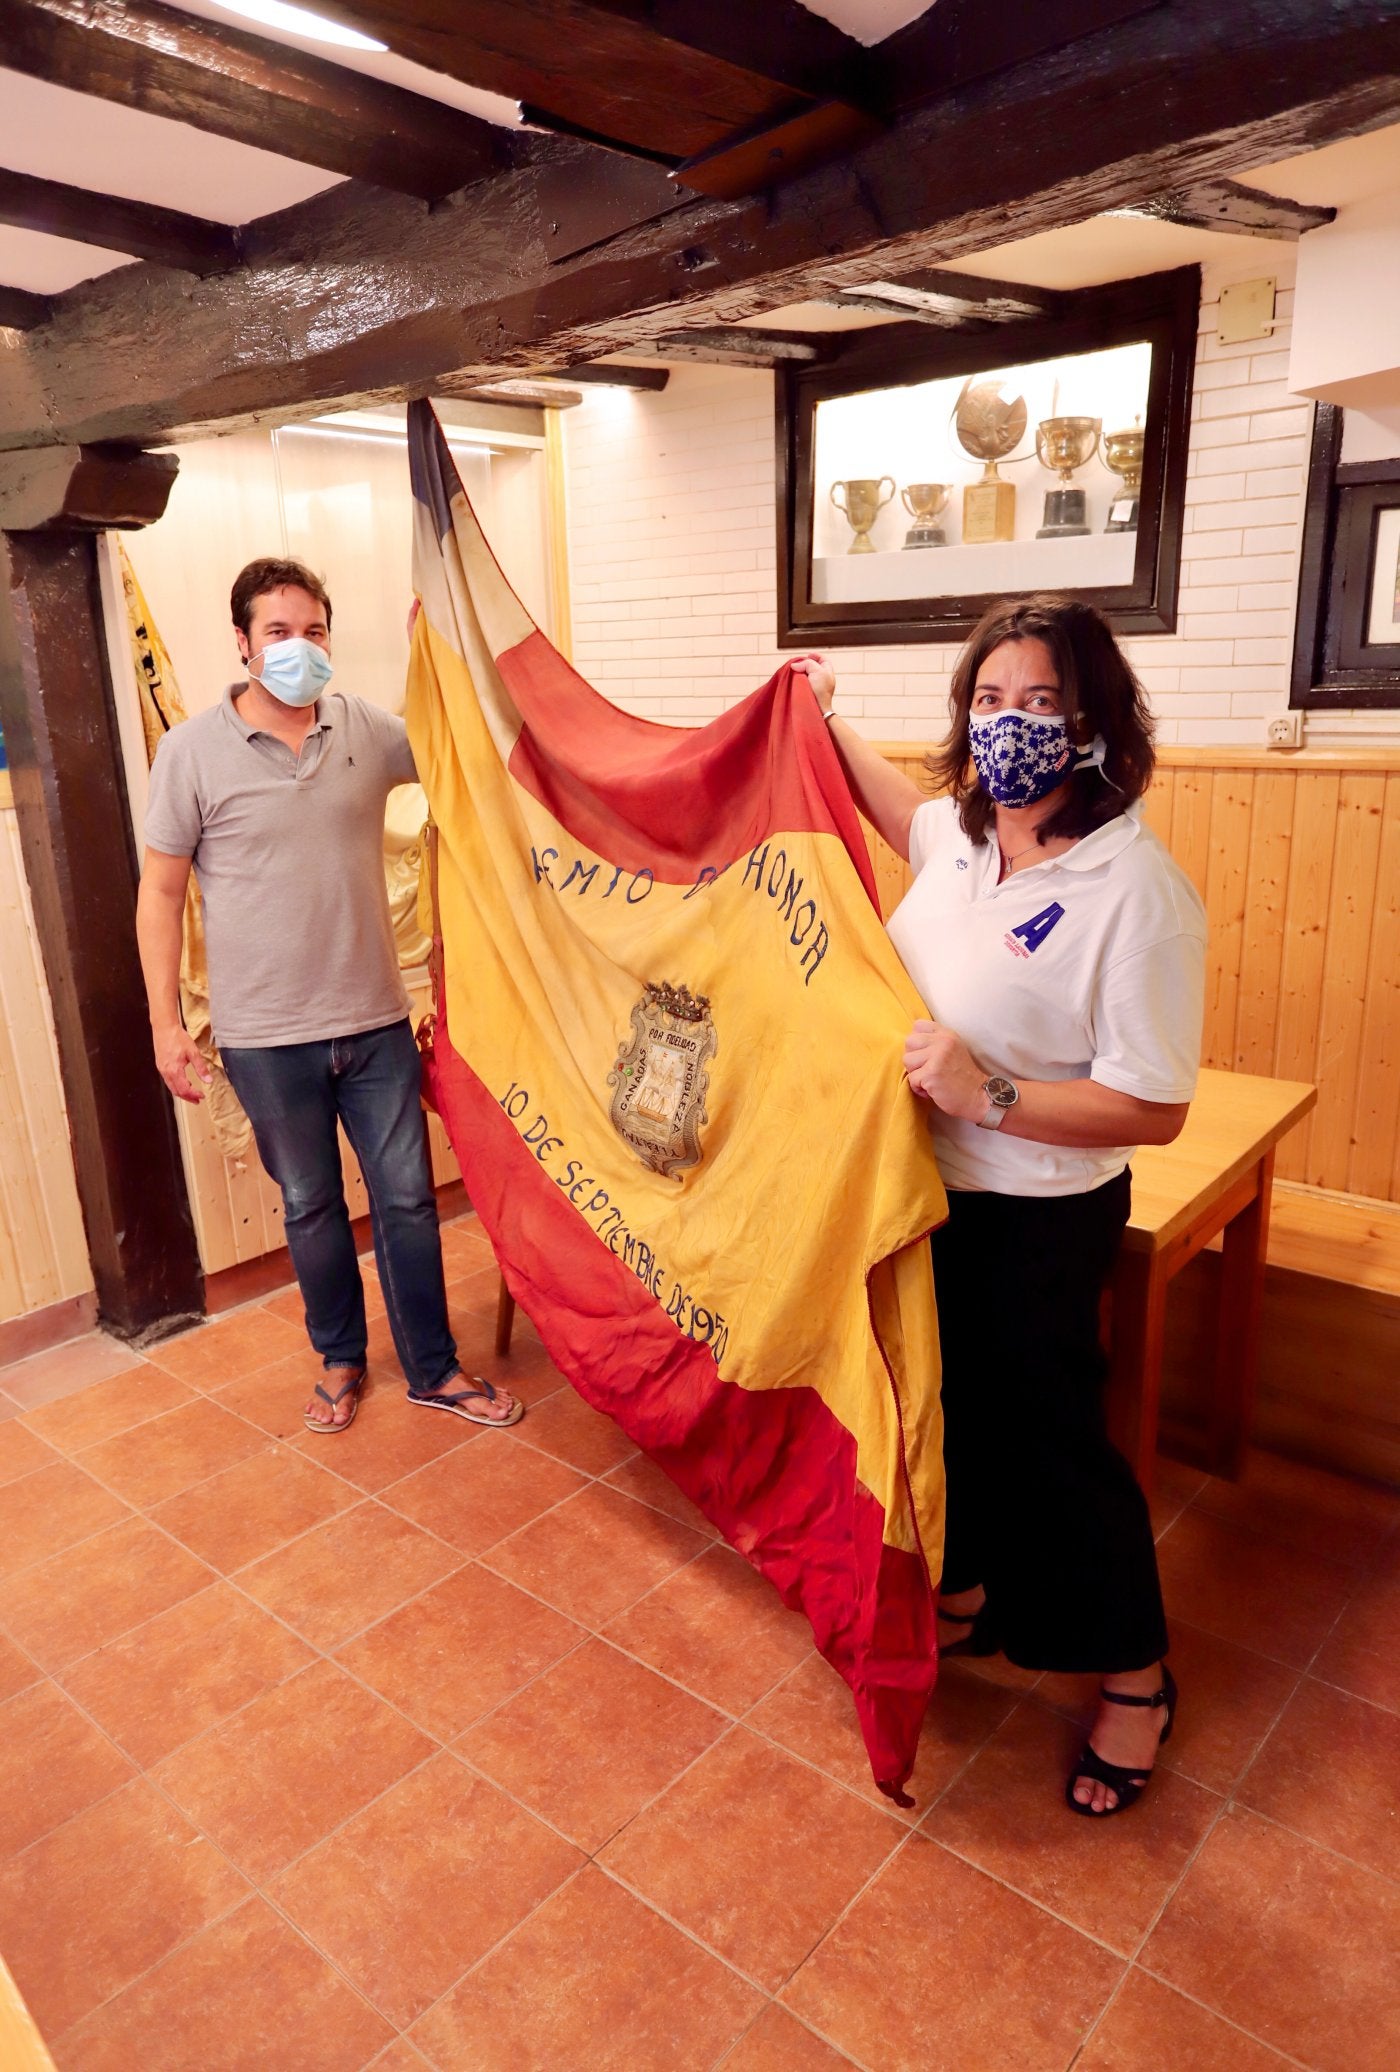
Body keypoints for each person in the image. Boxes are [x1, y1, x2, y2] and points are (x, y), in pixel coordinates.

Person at [793, 595, 1205, 1816]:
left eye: (1038, 703)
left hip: (1035, 1208)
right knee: (947, 1401)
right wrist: (823, 717)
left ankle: (1132, 1675)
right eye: (987, 699)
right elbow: (894, 809)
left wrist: (992, 1090)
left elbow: (1151, 1106)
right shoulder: (965, 840)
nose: (1007, 725)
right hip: (927, 1191)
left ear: (1093, 722)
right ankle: (965, 1586)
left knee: (1050, 1444)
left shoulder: (1134, 891)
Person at [136, 556, 520, 1435]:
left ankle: (434, 1367)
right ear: (242, 643)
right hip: (265, 1036)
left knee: (408, 1201)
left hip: (376, 1022)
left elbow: (463, 748)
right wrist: (166, 1026)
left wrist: (449, 651)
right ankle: (341, 1358)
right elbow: (159, 895)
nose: (298, 648)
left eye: (313, 632)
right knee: (310, 1207)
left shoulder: (367, 731)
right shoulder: (191, 754)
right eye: (277, 632)